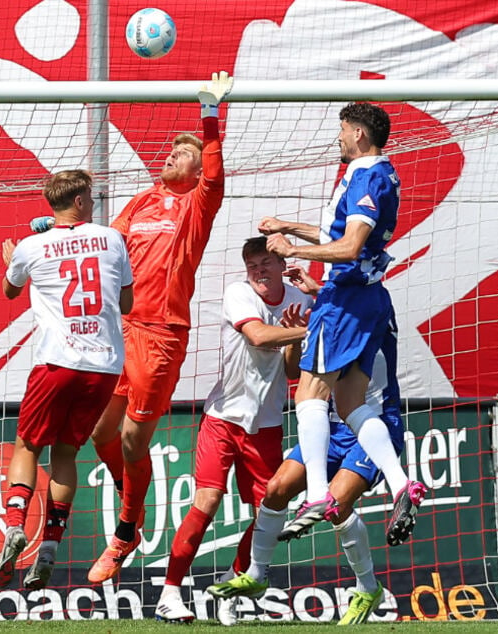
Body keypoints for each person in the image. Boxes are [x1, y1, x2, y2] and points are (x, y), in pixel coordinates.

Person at [31, 71, 234, 582]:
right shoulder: (143, 201)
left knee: (130, 441)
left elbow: (213, 174)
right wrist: (56, 229)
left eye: (182, 153)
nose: (172, 155)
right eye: (172, 150)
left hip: (162, 334)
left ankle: (124, 535)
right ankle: (133, 503)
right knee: (101, 435)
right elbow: (102, 239)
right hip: (118, 331)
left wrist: (208, 120)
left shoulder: (195, 205)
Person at [258, 102, 424, 546]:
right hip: (365, 298)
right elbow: (340, 234)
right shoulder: (380, 172)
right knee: (350, 404)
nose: (339, 138)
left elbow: (349, 247)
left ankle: (316, 495)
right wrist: (289, 226)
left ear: (359, 135)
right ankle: (402, 483)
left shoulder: (366, 174)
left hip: (346, 299)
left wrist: (292, 249)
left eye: (343, 130)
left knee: (309, 393)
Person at [153, 237, 313, 623]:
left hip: (268, 423)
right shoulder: (239, 293)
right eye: (252, 265)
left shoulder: (301, 299)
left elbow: (292, 371)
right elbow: (258, 335)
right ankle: (170, 593)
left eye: (266, 263)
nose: (258, 271)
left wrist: (302, 325)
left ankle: (234, 581)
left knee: (270, 511)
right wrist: (305, 331)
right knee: (206, 502)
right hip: (223, 417)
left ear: (281, 265)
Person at [209, 316, 403, 626]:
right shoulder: (326, 315)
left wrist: (313, 327)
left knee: (336, 504)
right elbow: (293, 369)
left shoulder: (372, 312)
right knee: (276, 489)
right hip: (330, 430)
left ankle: (368, 587)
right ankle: (257, 573)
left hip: (372, 428)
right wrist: (300, 338)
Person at [0, 170, 134, 592]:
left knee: (27, 445)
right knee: (67, 453)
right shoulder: (111, 239)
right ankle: (50, 550)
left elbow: (9, 291)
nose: (93, 203)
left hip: (58, 361)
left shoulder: (31, 246)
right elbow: (126, 302)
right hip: (104, 366)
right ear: (78, 201)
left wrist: (13, 260)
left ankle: (16, 525)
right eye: (90, 196)